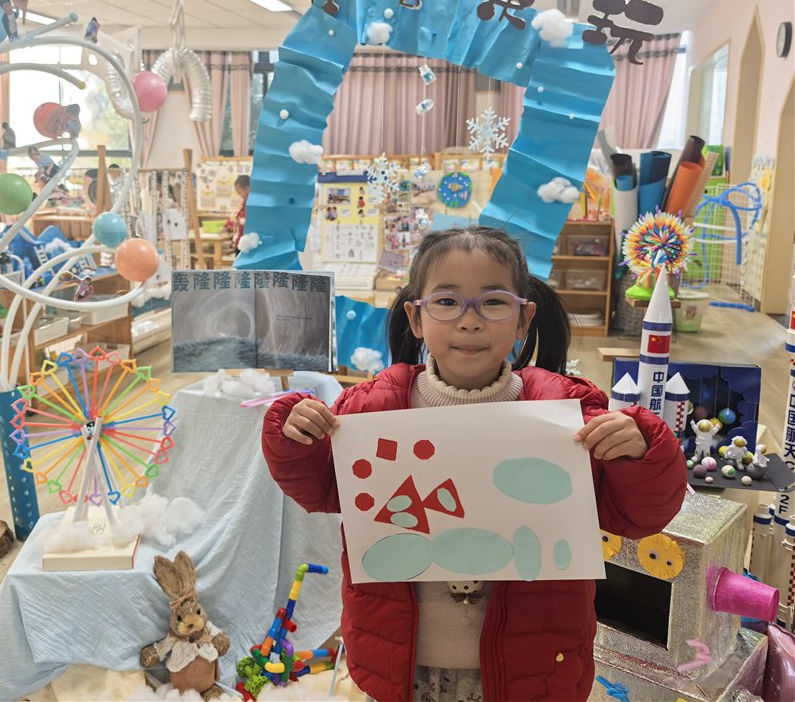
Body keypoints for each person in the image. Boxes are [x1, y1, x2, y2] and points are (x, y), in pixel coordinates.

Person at [261, 227, 687, 702]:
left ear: (524, 319)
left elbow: (637, 516)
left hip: (530, 669)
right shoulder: (371, 409)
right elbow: (320, 488)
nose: (469, 321)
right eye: (446, 302)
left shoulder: (566, 412)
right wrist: (295, 436)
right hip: (402, 665)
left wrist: (642, 451)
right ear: (415, 318)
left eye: (493, 302)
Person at [224, 174, 250, 252]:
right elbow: (235, 216)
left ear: (247, 189)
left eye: (239, 192)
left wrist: (239, 222)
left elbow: (247, 221)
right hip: (239, 242)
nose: (239, 195)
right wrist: (227, 226)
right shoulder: (243, 203)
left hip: (247, 243)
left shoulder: (253, 205)